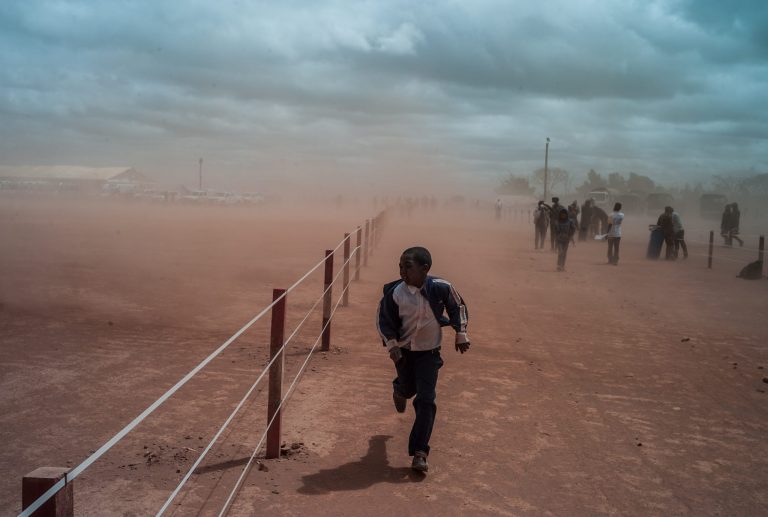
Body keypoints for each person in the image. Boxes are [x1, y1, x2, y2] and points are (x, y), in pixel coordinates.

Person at [376, 246, 470, 473]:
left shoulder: (440, 288)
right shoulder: (395, 293)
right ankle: (400, 389)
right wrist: (391, 346)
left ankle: (420, 452)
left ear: (425, 269)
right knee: (409, 389)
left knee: (426, 400)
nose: (402, 271)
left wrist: (460, 332)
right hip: (403, 352)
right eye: (400, 266)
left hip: (429, 354)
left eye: (408, 267)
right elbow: (383, 320)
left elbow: (457, 306)